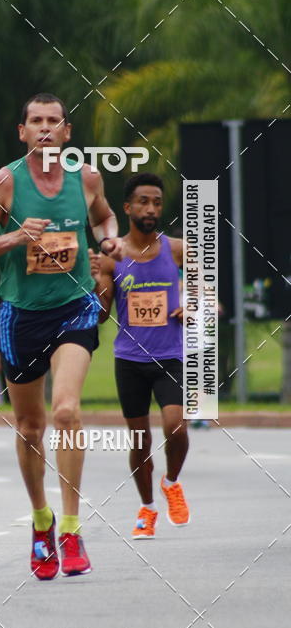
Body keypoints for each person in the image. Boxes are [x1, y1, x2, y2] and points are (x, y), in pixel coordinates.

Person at [0, 92, 122, 580]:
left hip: (74, 309)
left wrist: (109, 243)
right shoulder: (4, 183)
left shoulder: (87, 177)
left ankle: (72, 528)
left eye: (55, 121)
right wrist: (14, 237)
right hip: (21, 317)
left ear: (67, 133)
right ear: (23, 132)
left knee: (67, 410)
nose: (46, 129)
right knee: (30, 427)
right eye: (37, 121)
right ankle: (41, 520)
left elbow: (104, 218)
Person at [91, 172, 190, 540]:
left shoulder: (178, 249)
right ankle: (147, 508)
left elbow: (204, 288)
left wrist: (192, 305)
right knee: (139, 440)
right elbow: (101, 314)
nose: (151, 208)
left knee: (175, 426)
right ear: (128, 208)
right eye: (144, 202)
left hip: (171, 355)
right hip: (130, 359)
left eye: (158, 202)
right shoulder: (114, 257)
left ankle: (172, 482)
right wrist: (95, 281)